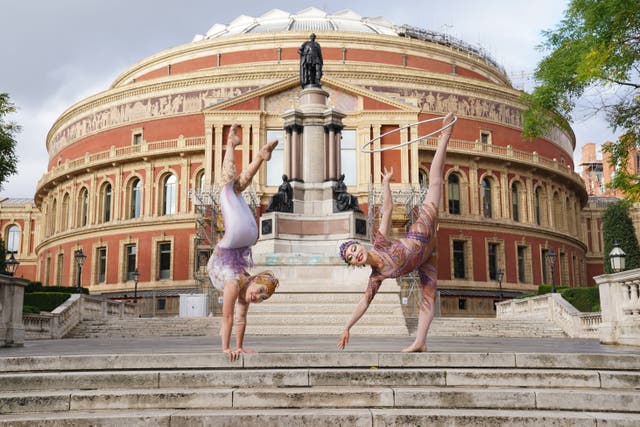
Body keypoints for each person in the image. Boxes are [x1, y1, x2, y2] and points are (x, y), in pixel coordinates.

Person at [337, 113, 455, 353]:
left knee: (434, 184)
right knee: (428, 295)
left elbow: (388, 209)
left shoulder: (379, 242)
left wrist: (387, 184)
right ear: (355, 264)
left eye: (353, 249)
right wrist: (347, 326)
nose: (354, 255)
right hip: (426, 257)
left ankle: (444, 136)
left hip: (421, 232)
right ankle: (420, 342)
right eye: (351, 258)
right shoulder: (376, 277)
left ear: (360, 246)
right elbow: (363, 303)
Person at [207, 124, 280, 361]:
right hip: (234, 245)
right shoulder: (235, 282)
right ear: (255, 282)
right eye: (260, 292)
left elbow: (238, 317)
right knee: (232, 187)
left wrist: (237, 346)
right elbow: (230, 318)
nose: (257, 297)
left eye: (261, 298)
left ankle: (234, 145)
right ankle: (254, 154)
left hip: (230, 248)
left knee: (228, 188)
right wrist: (229, 349)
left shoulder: (236, 285)